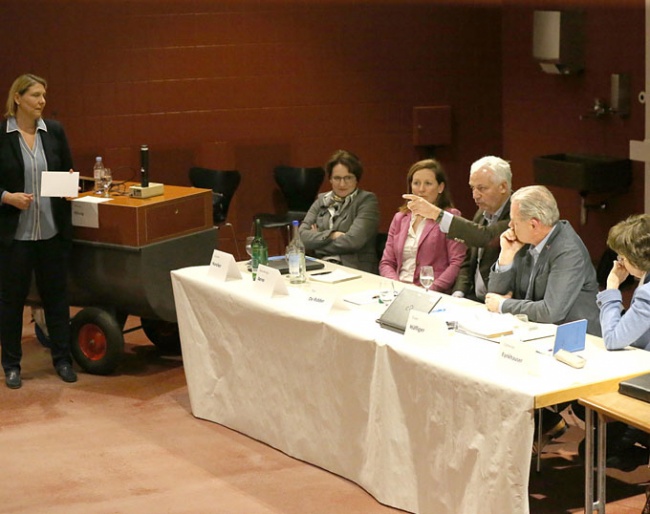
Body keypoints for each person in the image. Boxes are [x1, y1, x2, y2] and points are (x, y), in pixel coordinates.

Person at [0, 73, 77, 389]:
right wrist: (7, 197)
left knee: (57, 300)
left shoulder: (54, 131)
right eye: (35, 95)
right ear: (18, 98)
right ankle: (12, 365)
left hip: (50, 232)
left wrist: (70, 185)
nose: (42, 102)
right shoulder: (2, 135)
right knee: (11, 302)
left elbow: (68, 168)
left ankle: (62, 360)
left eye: (44, 95)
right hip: (14, 237)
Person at [485, 185, 601, 336]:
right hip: (536, 331)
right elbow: (493, 296)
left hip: (578, 339)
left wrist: (504, 305)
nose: (510, 226)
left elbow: (550, 312)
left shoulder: (568, 251)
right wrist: (506, 255)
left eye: (514, 221)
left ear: (533, 224)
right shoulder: (524, 241)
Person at [403, 155, 512, 301]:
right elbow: (467, 261)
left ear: (503, 187)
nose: (475, 195)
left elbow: (485, 237)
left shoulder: (517, 213)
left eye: (482, 188)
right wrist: (459, 293)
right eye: (473, 188)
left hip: (502, 301)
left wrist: (436, 214)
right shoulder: (482, 214)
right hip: (473, 298)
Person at [379, 159, 466, 293]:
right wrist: (397, 287)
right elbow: (386, 262)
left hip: (431, 291)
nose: (421, 189)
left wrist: (430, 289)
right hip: (398, 289)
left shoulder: (450, 217)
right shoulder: (399, 218)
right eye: (416, 183)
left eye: (428, 183)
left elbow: (457, 263)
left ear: (440, 187)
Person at [299, 149, 379, 273]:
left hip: (353, 268)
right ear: (330, 179)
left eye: (348, 178)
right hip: (319, 266)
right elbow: (301, 238)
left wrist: (317, 242)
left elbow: (353, 242)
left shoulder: (367, 201)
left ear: (356, 179)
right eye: (337, 178)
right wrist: (332, 235)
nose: (342, 184)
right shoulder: (322, 200)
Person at [598, 214, 650, 351]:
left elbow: (612, 340)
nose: (620, 262)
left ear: (637, 258)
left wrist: (612, 287)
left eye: (623, 257)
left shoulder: (647, 294)